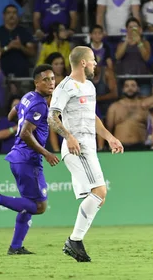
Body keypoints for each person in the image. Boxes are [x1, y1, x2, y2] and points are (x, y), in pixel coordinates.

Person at [47, 46, 125, 262]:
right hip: (76, 147)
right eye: (92, 60)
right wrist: (68, 136)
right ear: (83, 63)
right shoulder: (64, 87)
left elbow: (92, 117)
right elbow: (52, 117)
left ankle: (75, 242)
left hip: (89, 146)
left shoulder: (89, 86)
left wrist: (109, 137)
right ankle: (74, 241)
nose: (95, 64)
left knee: (97, 198)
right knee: (99, 191)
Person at [0, 65, 58, 255]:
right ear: (36, 82)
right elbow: (25, 133)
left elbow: (11, 115)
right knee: (40, 207)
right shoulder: (38, 104)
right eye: (45, 79)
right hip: (28, 160)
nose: (51, 83)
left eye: (53, 79)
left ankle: (15, 247)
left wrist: (25, 117)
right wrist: (46, 153)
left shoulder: (28, 97)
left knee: (27, 205)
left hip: (18, 158)